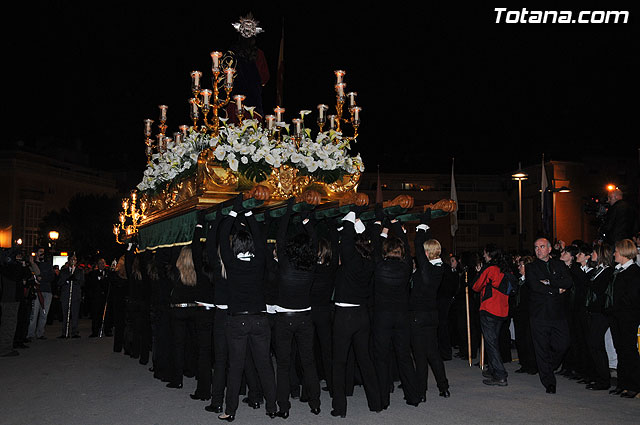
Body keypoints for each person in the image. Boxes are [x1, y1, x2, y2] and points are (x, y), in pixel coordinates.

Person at [218, 195, 277, 421]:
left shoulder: (231, 264)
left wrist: (234, 212)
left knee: (235, 367)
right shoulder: (259, 260)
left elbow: (223, 237)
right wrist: (249, 214)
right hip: (260, 320)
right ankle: (271, 407)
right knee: (264, 365)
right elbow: (261, 240)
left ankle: (230, 410)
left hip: (236, 320)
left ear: (235, 246)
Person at [331, 208, 382, 418]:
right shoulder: (372, 261)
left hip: (345, 316)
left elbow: (348, 238)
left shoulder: (350, 259)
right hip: (363, 316)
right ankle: (375, 403)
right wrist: (361, 226)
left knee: (339, 362)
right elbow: (372, 241)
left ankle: (340, 408)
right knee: (365, 360)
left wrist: (351, 215)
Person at [272, 198, 321, 418]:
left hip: (284, 318)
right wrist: (305, 219)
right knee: (308, 362)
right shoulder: (311, 266)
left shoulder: (284, 264)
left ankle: (284, 407)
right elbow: (315, 241)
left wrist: (288, 212)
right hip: (305, 318)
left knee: (283, 365)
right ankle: (316, 403)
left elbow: (280, 238)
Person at [370, 209, 421, 408]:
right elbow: (407, 247)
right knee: (404, 357)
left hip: (382, 318)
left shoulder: (379, 265)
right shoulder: (406, 265)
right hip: (401, 318)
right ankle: (413, 396)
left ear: (385, 251)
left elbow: (375, 245)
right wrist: (395, 223)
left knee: (381, 359)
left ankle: (383, 400)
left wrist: (380, 226)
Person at [409, 210, 450, 399]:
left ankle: (421, 392)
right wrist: (426, 227)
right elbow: (424, 246)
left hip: (419, 316)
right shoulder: (440, 267)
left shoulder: (426, 269)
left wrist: (423, 223)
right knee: (433, 353)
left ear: (427, 253)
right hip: (432, 316)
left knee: (420, 354)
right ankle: (443, 387)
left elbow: (417, 245)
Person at [525, 238, 573, 394]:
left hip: (558, 314)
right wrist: (555, 289)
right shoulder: (531, 267)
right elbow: (535, 286)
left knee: (563, 344)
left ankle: (547, 366)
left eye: (542, 246)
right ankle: (549, 382)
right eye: (536, 247)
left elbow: (567, 282)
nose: (538, 250)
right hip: (539, 315)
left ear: (550, 249)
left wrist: (549, 281)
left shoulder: (559, 265)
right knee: (541, 348)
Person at [472, 244, 514, 387]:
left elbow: (476, 286)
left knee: (491, 343)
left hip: (489, 309)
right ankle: (493, 369)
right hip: (502, 310)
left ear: (489, 254)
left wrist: (479, 273)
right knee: (493, 341)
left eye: (484, 253)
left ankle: (500, 374)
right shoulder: (506, 269)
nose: (483, 255)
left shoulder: (490, 269)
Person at [605, 239, 640, 398]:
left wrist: (616, 306)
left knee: (629, 350)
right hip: (616, 316)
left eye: (616, 251)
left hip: (627, 317)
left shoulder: (634, 272)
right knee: (620, 350)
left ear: (625, 252)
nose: (614, 254)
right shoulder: (618, 271)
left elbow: (632, 297)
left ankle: (633, 385)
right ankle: (623, 383)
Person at [584, 243, 614, 390]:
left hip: (601, 314)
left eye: (594, 252)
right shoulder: (598, 270)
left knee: (596, 345)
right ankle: (598, 376)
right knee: (594, 345)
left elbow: (601, 291)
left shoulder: (608, 272)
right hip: (594, 312)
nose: (591, 255)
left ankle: (603, 379)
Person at [513, 255, 537, 375]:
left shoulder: (531, 281)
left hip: (528, 314)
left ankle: (532, 364)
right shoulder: (520, 280)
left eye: (522, 265)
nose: (519, 267)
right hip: (519, 314)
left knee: (529, 340)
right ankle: (524, 363)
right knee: (520, 339)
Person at [0, 248, 27, 357]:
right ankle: (5, 349)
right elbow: (20, 275)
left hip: (7, 298)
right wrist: (22, 265)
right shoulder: (10, 268)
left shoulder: (4, 267)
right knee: (9, 324)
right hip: (9, 299)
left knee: (7, 324)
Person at [26, 247, 55, 341]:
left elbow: (52, 276)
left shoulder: (47, 264)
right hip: (37, 291)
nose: (42, 253)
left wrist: (43, 278)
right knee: (34, 314)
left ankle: (40, 333)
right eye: (40, 252)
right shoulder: (33, 264)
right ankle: (30, 334)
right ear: (36, 253)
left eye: (43, 251)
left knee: (44, 313)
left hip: (47, 291)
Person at [58, 255, 84, 338]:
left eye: (75, 260)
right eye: (72, 259)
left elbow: (82, 282)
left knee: (75, 314)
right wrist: (66, 281)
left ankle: (74, 332)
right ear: (69, 260)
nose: (73, 261)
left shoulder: (79, 271)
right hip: (66, 295)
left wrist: (75, 280)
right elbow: (59, 282)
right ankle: (64, 332)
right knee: (65, 314)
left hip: (75, 295)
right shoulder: (64, 271)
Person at [86, 258, 110, 337]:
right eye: (100, 263)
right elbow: (91, 284)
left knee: (106, 314)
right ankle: (95, 331)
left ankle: (107, 330)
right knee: (96, 314)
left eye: (103, 263)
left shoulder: (108, 273)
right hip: (96, 297)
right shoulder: (93, 273)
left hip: (105, 297)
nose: (101, 265)